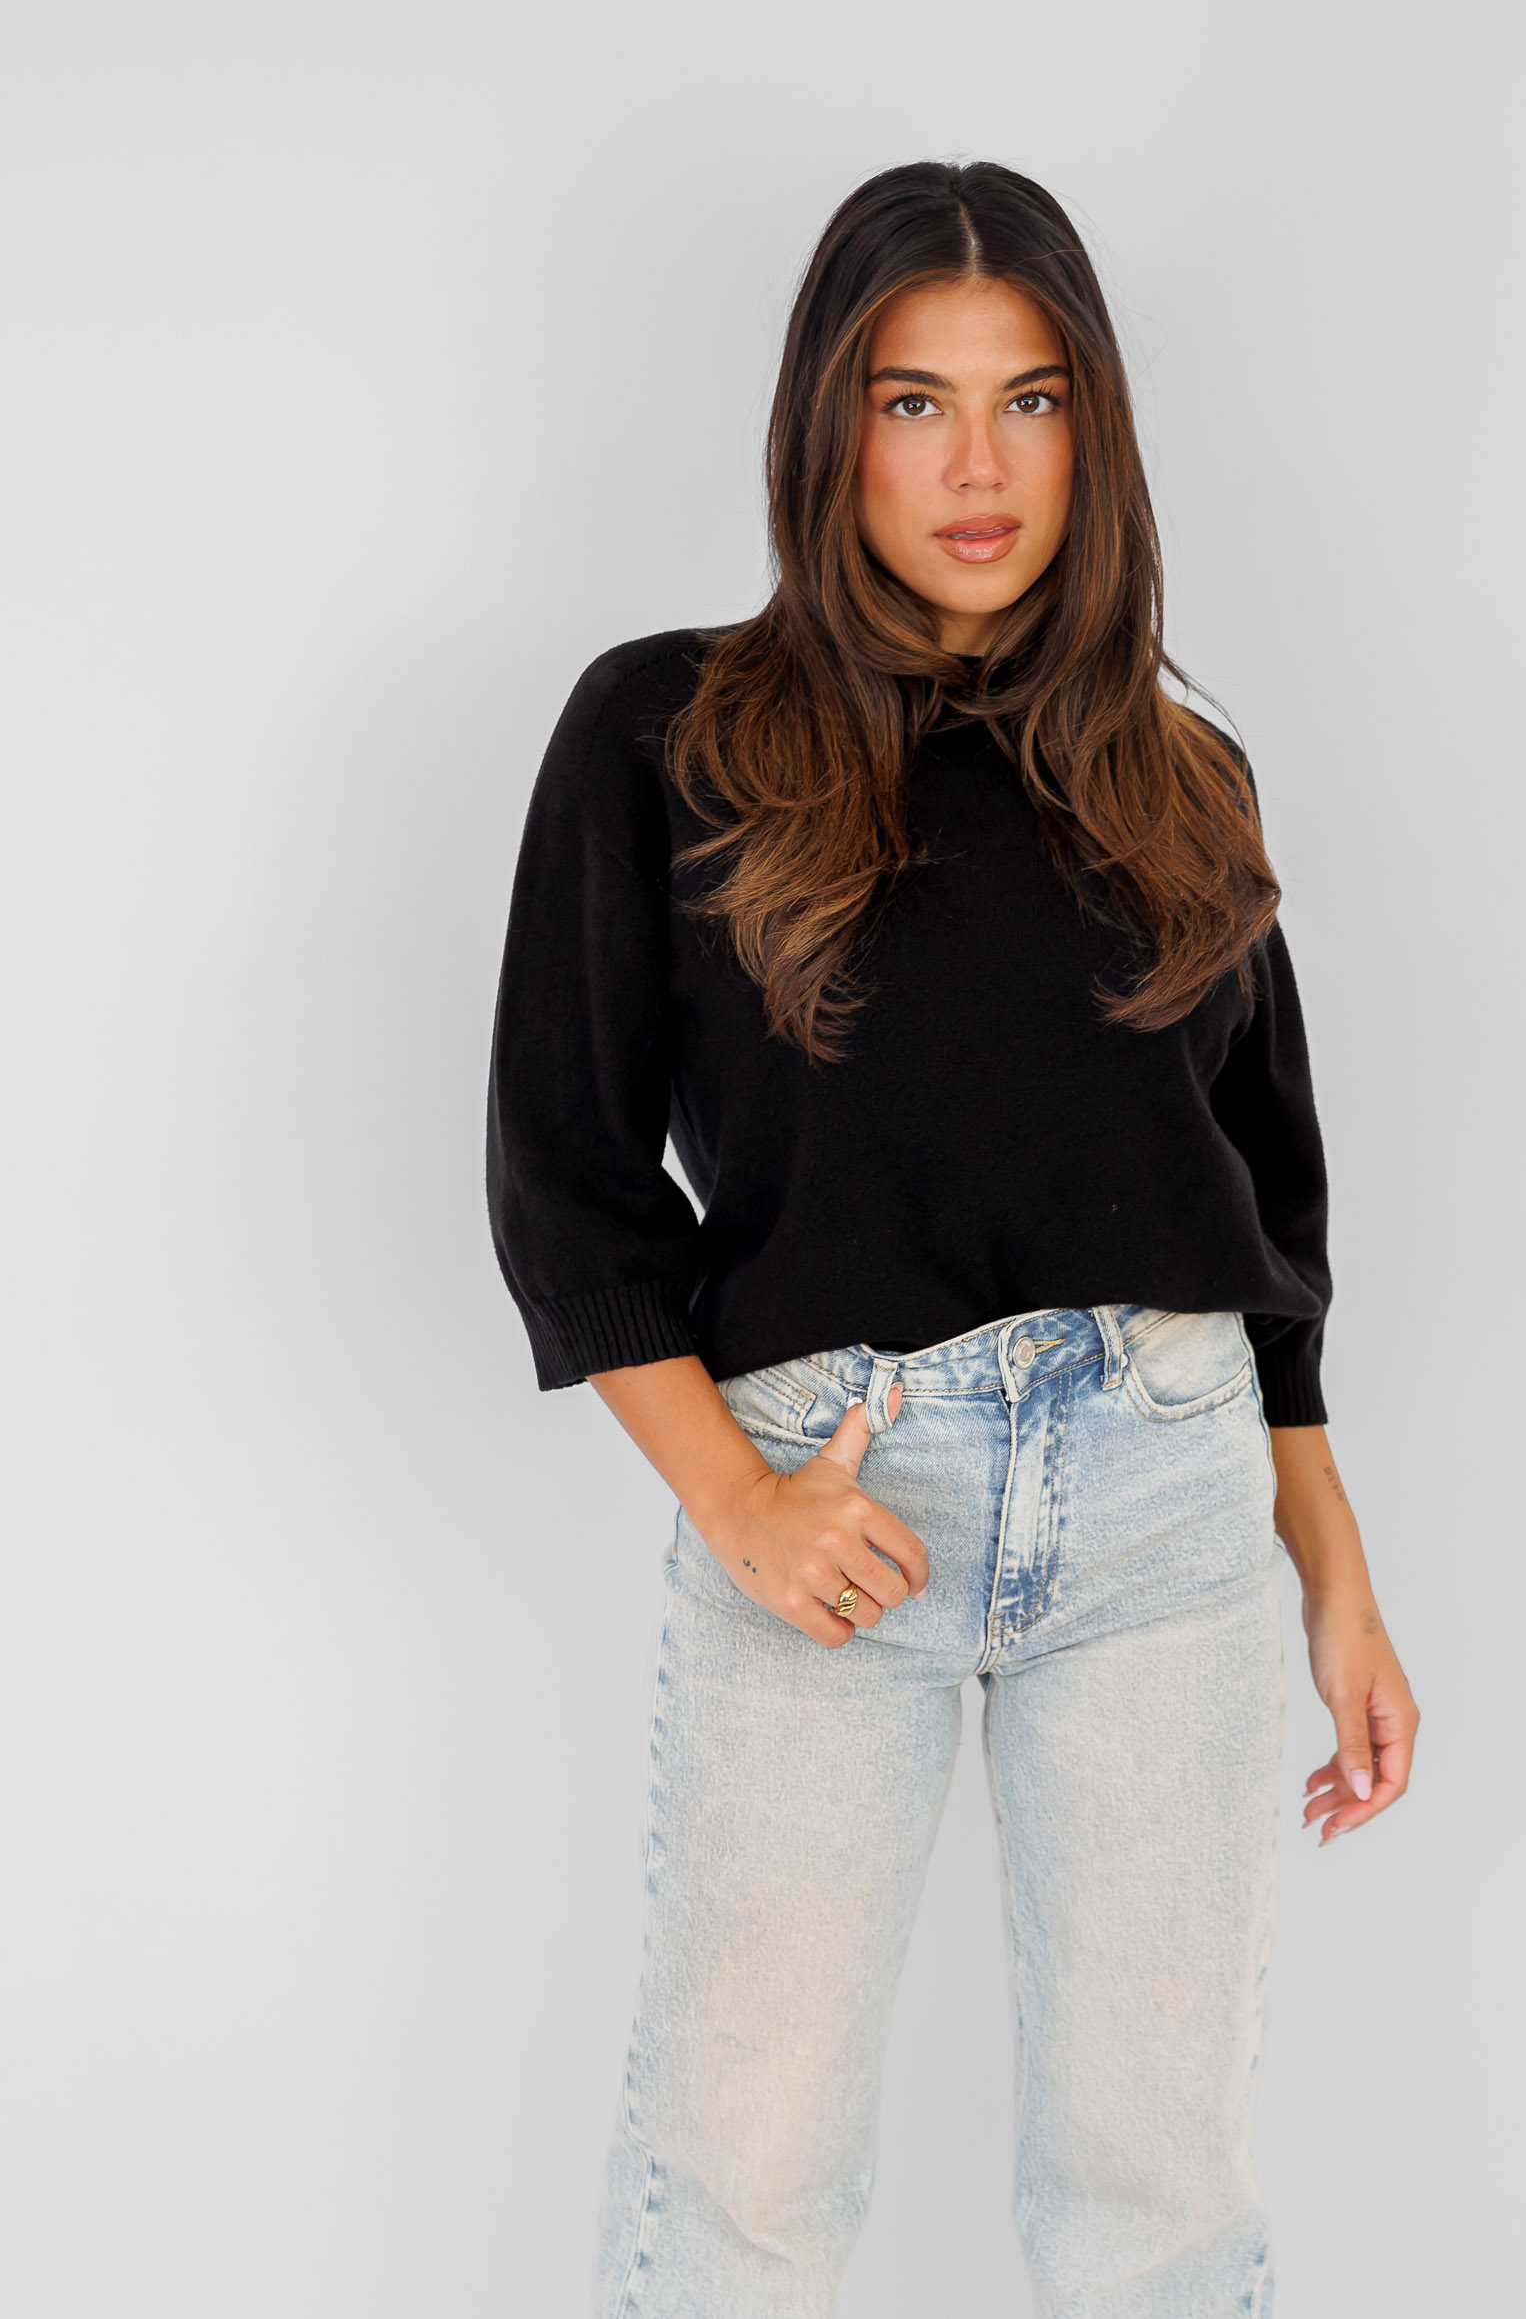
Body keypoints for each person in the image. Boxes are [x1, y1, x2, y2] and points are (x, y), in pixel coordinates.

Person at [485, 159, 1420, 2318]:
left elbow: (1265, 1207)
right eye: (916, 403)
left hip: (1172, 1502)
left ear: (1096, 430)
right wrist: (736, 1499)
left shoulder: (1184, 778)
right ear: (832, 424)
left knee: (1157, 2190)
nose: (978, 467)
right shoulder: (668, 730)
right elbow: (566, 1176)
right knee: (743, 2166)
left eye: (1030, 400)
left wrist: (1338, 1569)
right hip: (834, 1495)